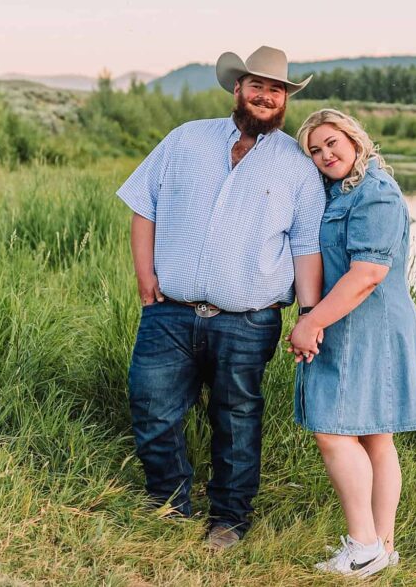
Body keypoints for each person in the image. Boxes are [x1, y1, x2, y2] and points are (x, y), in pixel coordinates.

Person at [115, 46, 325, 550]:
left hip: (249, 320)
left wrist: (310, 315)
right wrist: (145, 278)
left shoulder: (297, 167)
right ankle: (168, 502)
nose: (265, 96)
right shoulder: (186, 140)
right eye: (257, 85)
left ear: (284, 100)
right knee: (151, 407)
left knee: (236, 420)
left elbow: (306, 246)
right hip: (169, 312)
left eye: (276, 90)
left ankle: (228, 521)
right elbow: (144, 206)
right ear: (237, 89)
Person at [288, 109, 416, 578]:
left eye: (331, 142)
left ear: (354, 139)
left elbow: (368, 274)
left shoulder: (377, 193)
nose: (325, 154)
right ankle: (381, 548)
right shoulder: (339, 191)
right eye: (314, 150)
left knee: (332, 430)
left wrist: (310, 323)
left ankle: (365, 544)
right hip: (351, 323)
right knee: (373, 435)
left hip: (369, 326)